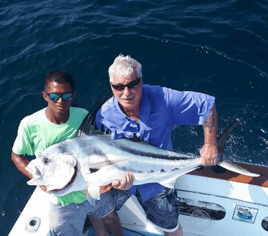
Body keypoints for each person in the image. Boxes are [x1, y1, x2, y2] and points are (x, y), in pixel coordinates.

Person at [95, 55, 218, 236]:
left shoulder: (164, 99)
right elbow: (103, 158)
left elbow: (206, 105)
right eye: (119, 87)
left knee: (171, 228)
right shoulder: (104, 116)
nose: (126, 93)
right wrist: (115, 183)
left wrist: (210, 144)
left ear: (141, 81)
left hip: (158, 182)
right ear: (111, 86)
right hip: (123, 180)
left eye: (132, 84)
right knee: (96, 206)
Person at [11, 70, 126, 236]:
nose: (60, 101)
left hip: (91, 189)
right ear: (45, 96)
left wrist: (106, 180)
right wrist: (37, 178)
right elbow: (16, 156)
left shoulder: (84, 116)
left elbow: (100, 152)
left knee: (111, 219)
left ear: (73, 95)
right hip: (61, 201)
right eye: (54, 96)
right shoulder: (29, 125)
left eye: (66, 96)